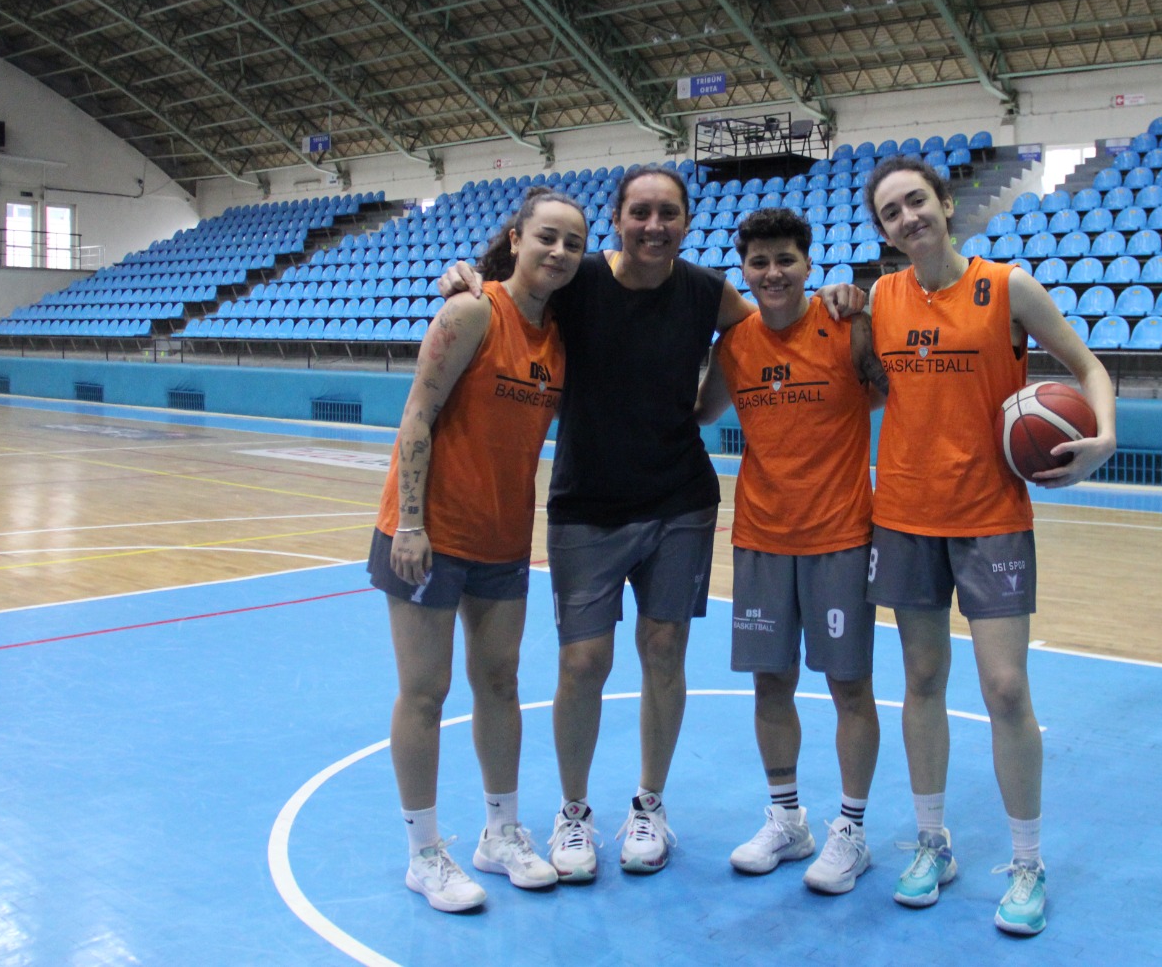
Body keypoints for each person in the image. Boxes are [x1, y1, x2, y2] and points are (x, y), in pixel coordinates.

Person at [436, 166, 865, 882]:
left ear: (687, 222)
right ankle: (574, 812)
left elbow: (778, 317)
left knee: (664, 652)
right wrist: (468, 278)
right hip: (586, 504)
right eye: (640, 212)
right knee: (582, 663)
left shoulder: (705, 291)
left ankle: (649, 807)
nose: (654, 225)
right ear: (617, 219)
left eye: (668, 213)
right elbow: (516, 287)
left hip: (679, 504)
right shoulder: (578, 280)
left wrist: (839, 298)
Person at [862, 156, 1116, 935]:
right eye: (891, 212)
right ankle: (931, 842)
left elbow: (1088, 366)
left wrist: (1104, 438)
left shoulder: (1007, 288)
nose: (908, 217)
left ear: (944, 204)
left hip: (991, 516)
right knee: (922, 680)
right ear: (884, 232)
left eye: (916, 201)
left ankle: (1028, 862)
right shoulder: (879, 299)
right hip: (905, 514)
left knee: (1005, 689)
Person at [367, 189, 586, 912]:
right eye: (546, 237)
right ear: (516, 238)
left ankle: (500, 833)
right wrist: (410, 524)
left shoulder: (559, 337)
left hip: (502, 536)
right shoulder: (471, 312)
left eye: (573, 243)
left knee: (500, 683)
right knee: (425, 693)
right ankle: (424, 853)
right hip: (427, 534)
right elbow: (417, 416)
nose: (559, 251)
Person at [693, 207, 887, 894]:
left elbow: (897, 391)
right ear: (744, 271)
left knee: (849, 686)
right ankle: (787, 820)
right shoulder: (735, 345)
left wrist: (865, 308)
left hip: (841, 536)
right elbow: (700, 411)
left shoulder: (847, 326)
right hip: (760, 537)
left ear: (808, 264)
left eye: (785, 260)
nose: (772, 273)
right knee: (770, 683)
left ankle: (852, 830)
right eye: (760, 262)